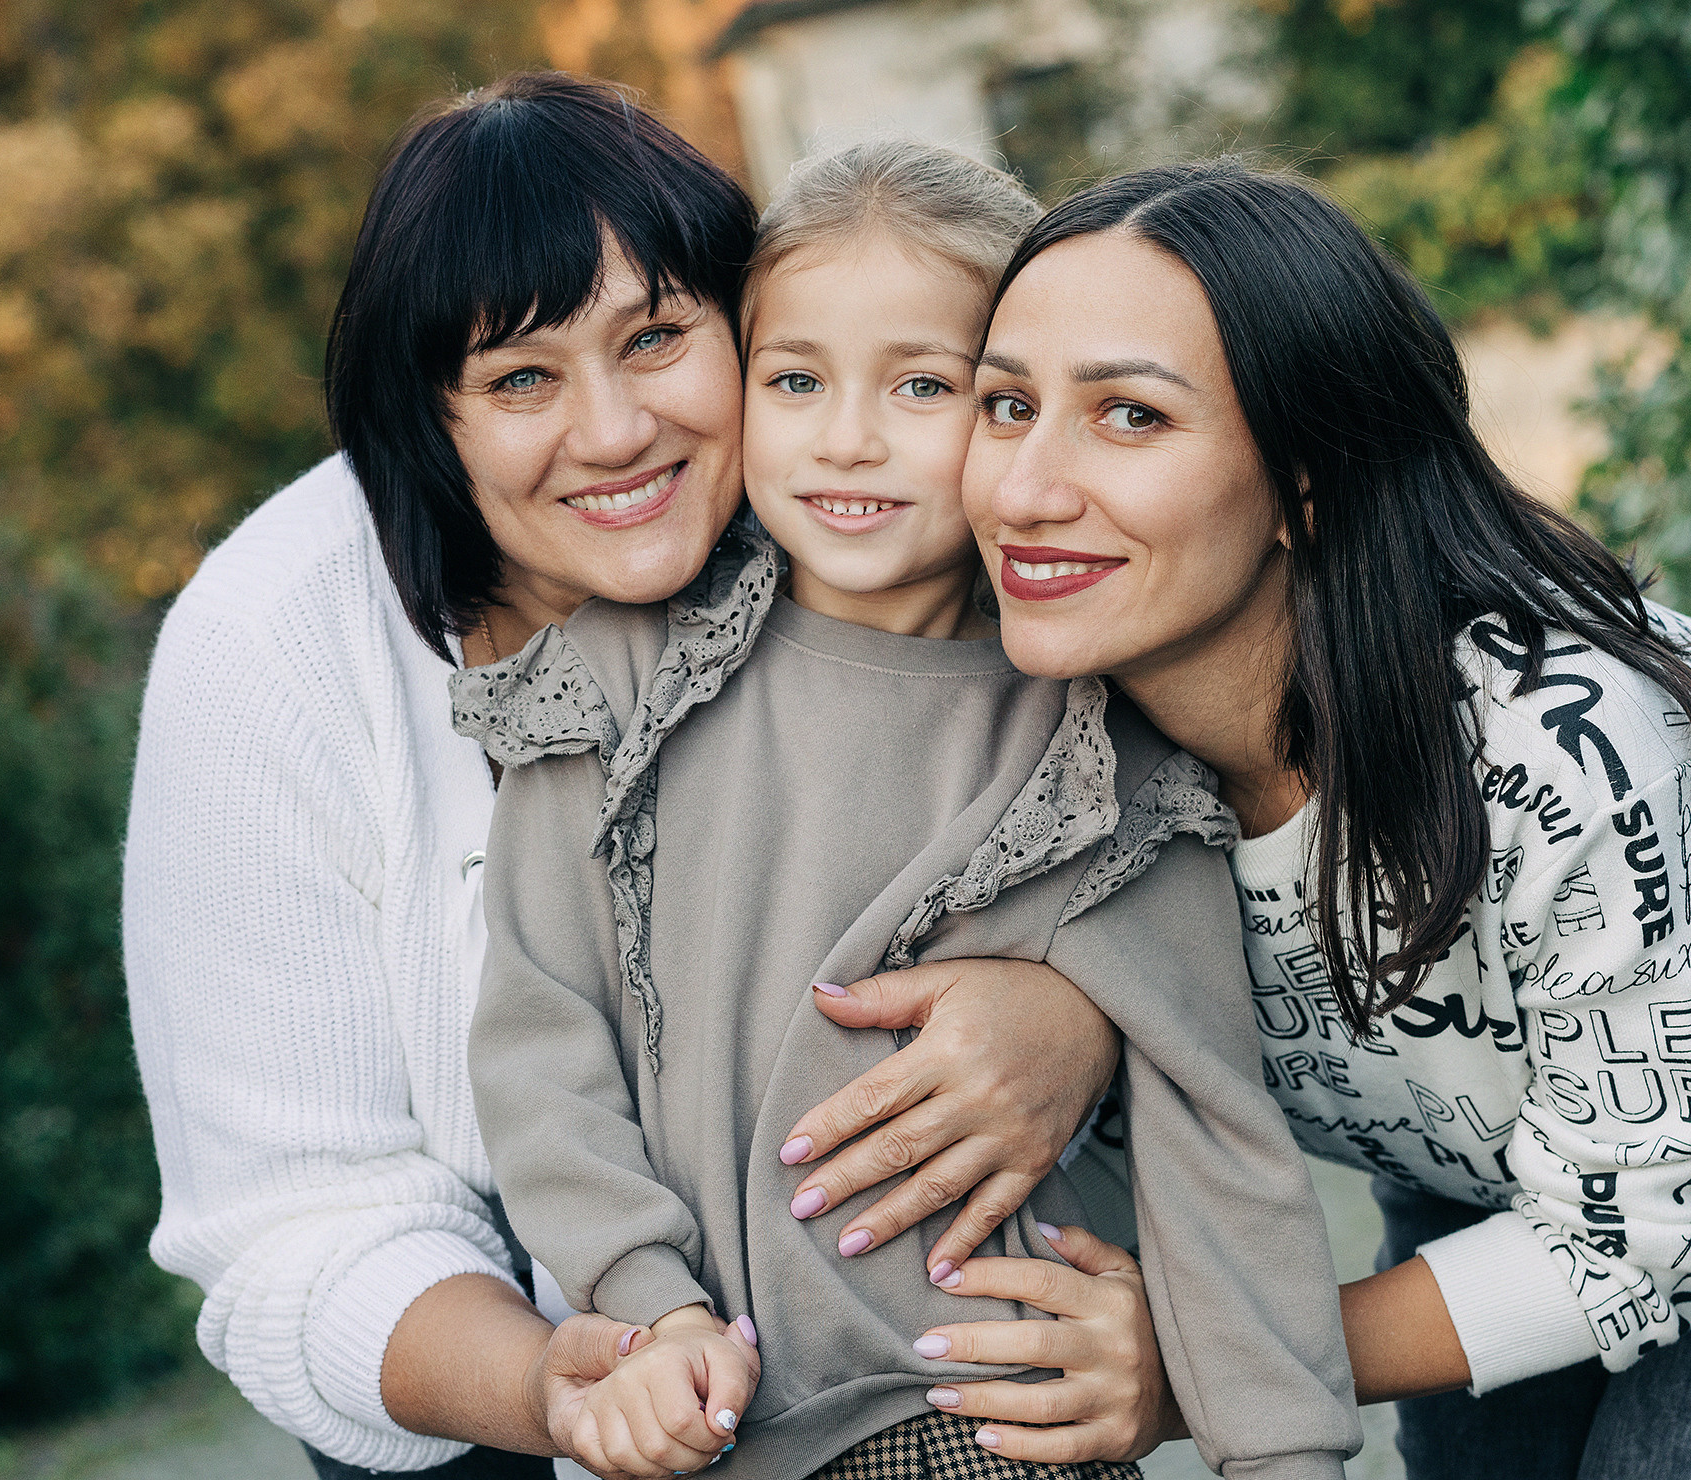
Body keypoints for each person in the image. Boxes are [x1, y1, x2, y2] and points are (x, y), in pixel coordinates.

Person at [121, 74, 1126, 1480]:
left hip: (893, 1381)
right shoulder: (273, 637)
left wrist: (1081, 1015)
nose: (612, 433)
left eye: (654, 339)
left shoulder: (871, 531)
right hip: (488, 1401)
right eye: (521, 378)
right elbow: (288, 1228)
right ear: (428, 416)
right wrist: (559, 1385)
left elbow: (1128, 825)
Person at [455, 139, 1359, 1480]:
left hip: (979, 1421)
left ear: (1013, 417)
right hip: (696, 1406)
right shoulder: (618, 682)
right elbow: (542, 1038)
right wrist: (645, 1302)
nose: (850, 437)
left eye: (927, 386)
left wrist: (1285, 1457)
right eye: (797, 379)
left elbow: (1217, 1149)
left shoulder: (1103, 763)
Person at [927, 158, 1691, 1480]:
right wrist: (1064, 1006)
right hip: (1487, 1178)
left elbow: (1628, 1236)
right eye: (1006, 404)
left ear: (1307, 480)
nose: (1024, 487)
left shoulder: (1564, 749)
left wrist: (1205, 1363)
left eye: (1129, 418)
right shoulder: (1037, 752)